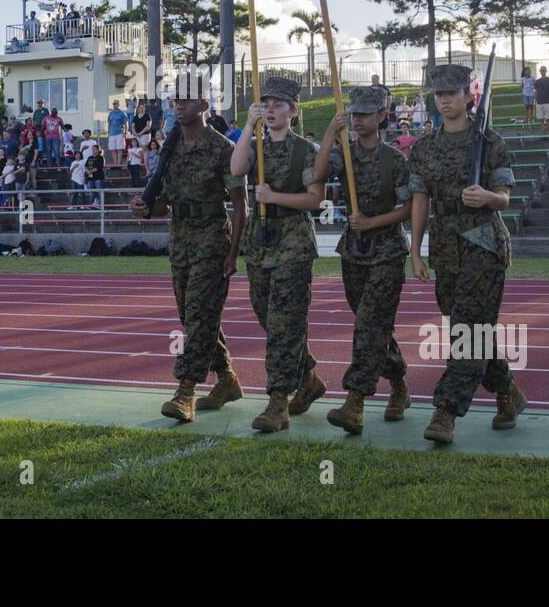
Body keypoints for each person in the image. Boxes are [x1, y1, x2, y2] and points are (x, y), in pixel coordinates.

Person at [409, 64, 525, 445]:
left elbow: (505, 197)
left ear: (468, 96)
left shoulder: (489, 141)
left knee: (469, 330)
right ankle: (506, 389)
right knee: (469, 326)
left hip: (483, 245)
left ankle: (446, 411)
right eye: (439, 94)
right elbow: (421, 200)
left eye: (452, 93)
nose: (444, 100)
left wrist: (487, 197)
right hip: (445, 248)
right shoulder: (425, 147)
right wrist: (415, 250)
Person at [130, 75, 247, 424]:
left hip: (212, 236)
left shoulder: (223, 148)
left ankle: (186, 391)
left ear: (204, 106)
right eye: (174, 100)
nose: (178, 105)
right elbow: (164, 203)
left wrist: (233, 253)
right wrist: (146, 207)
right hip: (180, 236)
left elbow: (240, 205)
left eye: (186, 99)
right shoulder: (170, 146)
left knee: (198, 314)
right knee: (194, 314)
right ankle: (226, 378)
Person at [314, 86, 414, 434]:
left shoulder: (395, 160)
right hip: (354, 250)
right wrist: (330, 132)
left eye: (365, 114)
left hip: (386, 250)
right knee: (373, 323)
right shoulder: (345, 152)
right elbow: (316, 174)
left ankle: (354, 402)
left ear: (382, 116)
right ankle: (399, 383)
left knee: (369, 324)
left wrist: (373, 222)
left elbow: (409, 208)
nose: (358, 120)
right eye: (354, 114)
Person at [229, 76, 327, 433]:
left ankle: (277, 402)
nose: (271, 109)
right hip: (260, 242)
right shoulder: (255, 145)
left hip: (293, 243)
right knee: (267, 316)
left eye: (278, 104)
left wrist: (274, 198)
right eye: (265, 103)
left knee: (285, 322)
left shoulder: (306, 150)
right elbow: (236, 169)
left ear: (293, 111)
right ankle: (308, 376)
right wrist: (247, 126)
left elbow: (314, 200)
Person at [533, 66, 549, 132]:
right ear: (540, 71)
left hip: (548, 102)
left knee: (548, 119)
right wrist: (534, 102)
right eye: (541, 70)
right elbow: (536, 92)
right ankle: (543, 133)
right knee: (541, 119)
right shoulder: (537, 81)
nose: (543, 71)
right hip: (539, 102)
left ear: (546, 71)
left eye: (544, 70)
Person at [107, 100, 129, 167]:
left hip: (120, 133)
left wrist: (125, 132)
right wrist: (108, 132)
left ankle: (119, 164)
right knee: (113, 149)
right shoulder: (110, 113)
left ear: (118, 104)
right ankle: (115, 164)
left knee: (119, 149)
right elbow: (109, 124)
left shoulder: (122, 113)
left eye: (116, 103)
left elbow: (126, 123)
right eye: (113, 104)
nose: (114, 105)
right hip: (112, 133)